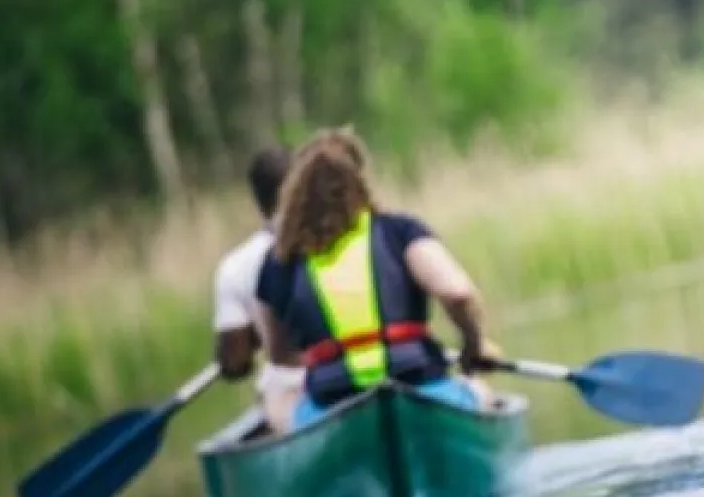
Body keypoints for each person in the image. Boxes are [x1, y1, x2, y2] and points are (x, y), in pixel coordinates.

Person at [253, 127, 502, 431]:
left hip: (334, 409)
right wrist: (473, 345)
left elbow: (279, 355)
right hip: (417, 388)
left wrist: (334, 355)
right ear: (360, 182)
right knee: (481, 392)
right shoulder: (398, 231)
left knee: (281, 409)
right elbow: (458, 292)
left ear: (294, 193)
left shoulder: (280, 260)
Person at [211, 146, 302, 435]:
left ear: (258, 201)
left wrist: (251, 338)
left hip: (287, 399)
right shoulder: (339, 239)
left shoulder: (234, 266)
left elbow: (235, 364)